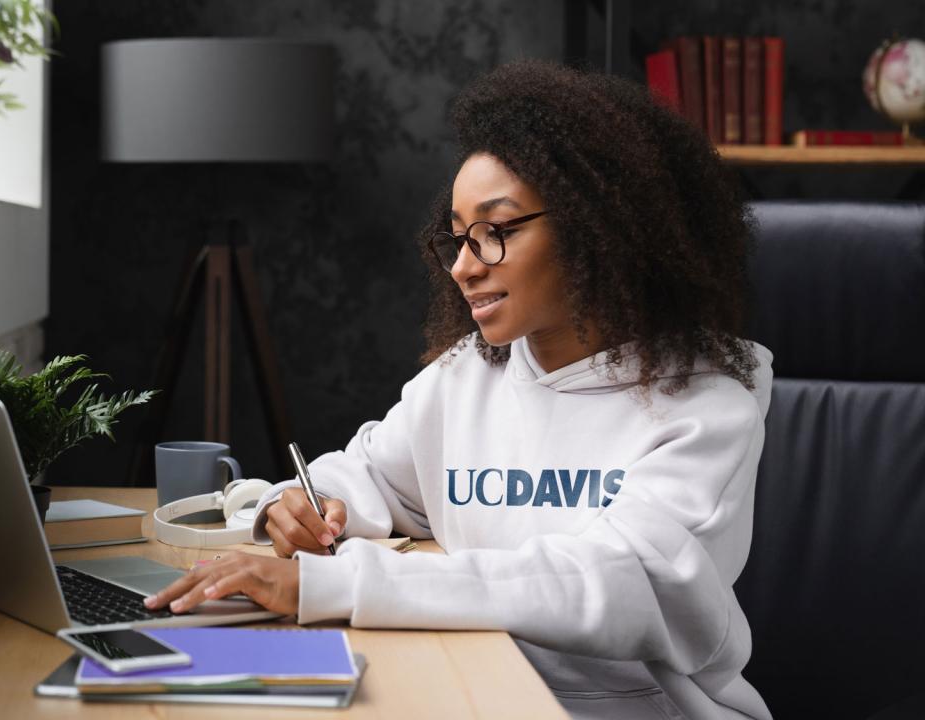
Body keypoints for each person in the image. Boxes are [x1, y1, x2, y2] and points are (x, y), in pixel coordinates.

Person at [146, 60, 773, 720]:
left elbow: (610, 581)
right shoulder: (469, 374)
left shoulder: (705, 411)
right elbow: (372, 474)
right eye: (457, 239)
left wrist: (334, 582)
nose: (465, 268)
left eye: (498, 232)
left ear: (599, 228)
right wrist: (306, 501)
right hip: (476, 692)